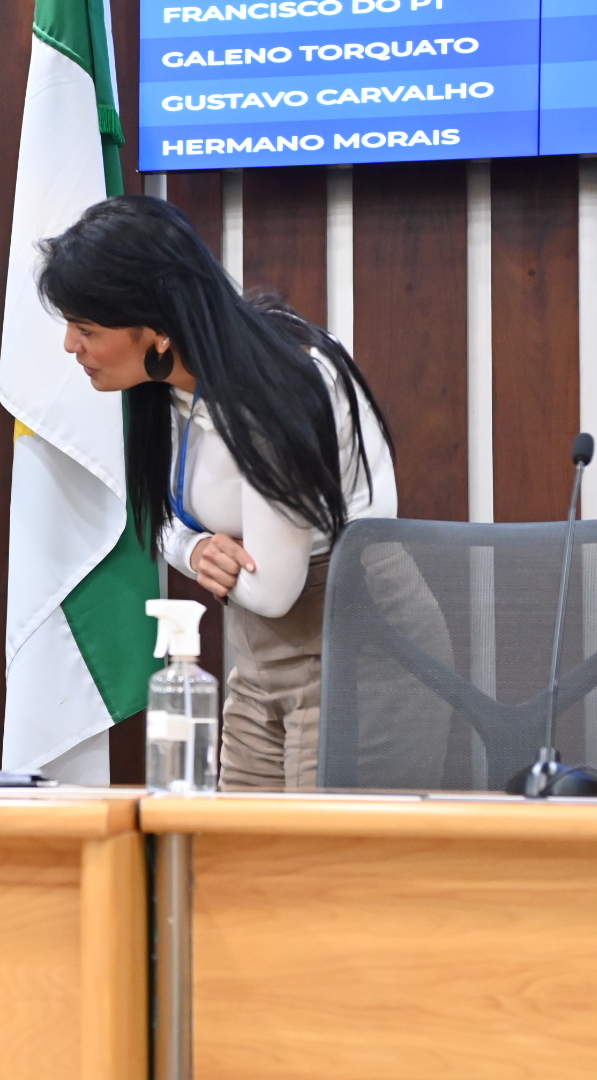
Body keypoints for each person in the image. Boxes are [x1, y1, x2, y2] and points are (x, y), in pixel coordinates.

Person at [36, 195, 406, 790]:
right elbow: (162, 519)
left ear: (156, 330)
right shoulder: (165, 385)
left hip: (358, 650)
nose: (70, 347)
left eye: (87, 330)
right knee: (230, 840)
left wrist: (208, 557)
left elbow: (275, 590)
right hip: (258, 658)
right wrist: (196, 549)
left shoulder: (274, 386)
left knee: (311, 847)